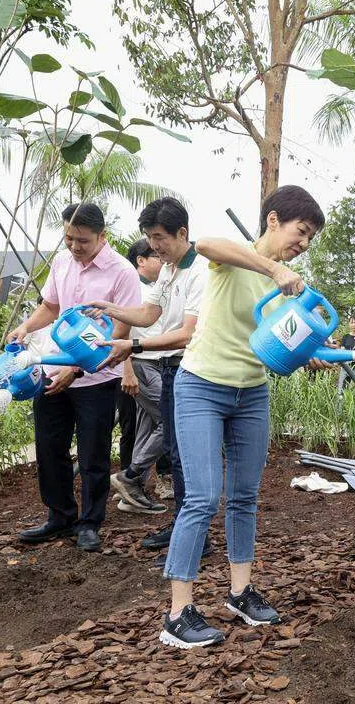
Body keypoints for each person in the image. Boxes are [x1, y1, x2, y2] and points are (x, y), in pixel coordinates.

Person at [142, 186, 325, 649]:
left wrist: (311, 354)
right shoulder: (237, 258)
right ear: (273, 220)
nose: (303, 243)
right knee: (201, 498)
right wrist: (274, 267)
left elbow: (277, 338)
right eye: (301, 232)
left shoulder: (286, 285)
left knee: (244, 497)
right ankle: (178, 613)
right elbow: (204, 245)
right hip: (201, 386)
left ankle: (240, 592)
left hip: (251, 394)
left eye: (309, 238)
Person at [8, 203, 141, 552]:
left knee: (93, 453)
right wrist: (25, 326)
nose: (74, 246)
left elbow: (120, 327)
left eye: (82, 240)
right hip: (52, 370)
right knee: (50, 446)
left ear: (102, 236)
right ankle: (59, 516)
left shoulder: (122, 272)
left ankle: (90, 522)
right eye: (69, 238)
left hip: (96, 377)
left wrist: (77, 368)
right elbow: (50, 307)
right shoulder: (62, 261)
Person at [85, 197, 210, 562]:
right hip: (169, 371)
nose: (153, 246)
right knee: (173, 451)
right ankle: (181, 526)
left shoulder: (200, 272)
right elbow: (147, 312)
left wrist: (133, 346)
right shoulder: (169, 270)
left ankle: (196, 539)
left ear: (182, 232)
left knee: (185, 456)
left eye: (159, 237)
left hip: (189, 369)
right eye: (150, 238)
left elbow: (189, 334)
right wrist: (110, 308)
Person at [114, 238, 167, 515]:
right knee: (171, 420)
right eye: (155, 255)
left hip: (155, 364)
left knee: (147, 428)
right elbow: (120, 331)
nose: (161, 258)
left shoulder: (155, 288)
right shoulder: (131, 287)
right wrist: (127, 368)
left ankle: (130, 495)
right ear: (141, 261)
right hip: (141, 364)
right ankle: (130, 476)